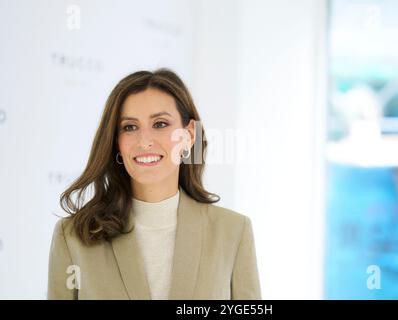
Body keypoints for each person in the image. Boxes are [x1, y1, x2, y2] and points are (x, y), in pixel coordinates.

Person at [47, 69, 261, 300]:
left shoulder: (233, 231)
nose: (145, 141)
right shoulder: (73, 237)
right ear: (116, 141)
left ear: (189, 135)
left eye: (160, 124)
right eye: (130, 127)